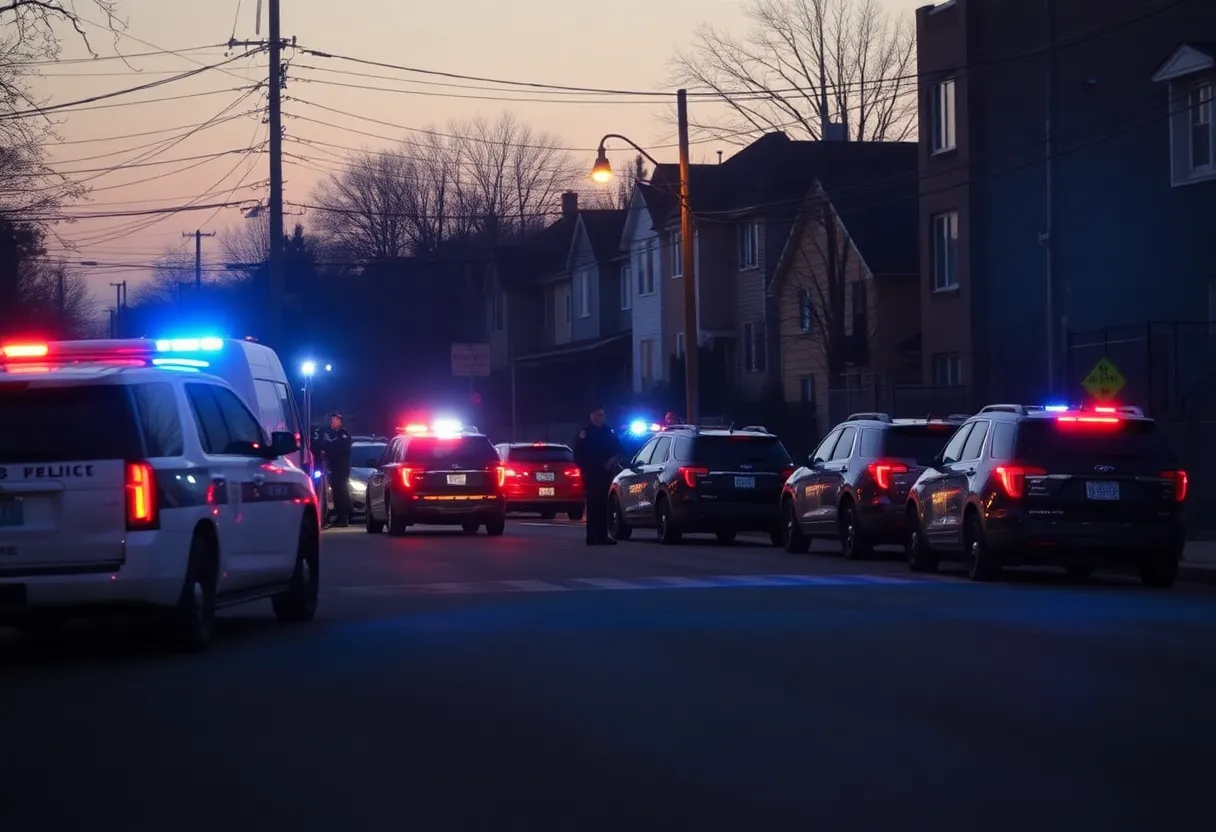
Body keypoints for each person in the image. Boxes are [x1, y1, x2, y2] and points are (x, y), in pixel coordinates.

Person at [573, 404, 621, 546]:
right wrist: (585, 469)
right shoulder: (586, 432)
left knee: (604, 505)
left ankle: (603, 535)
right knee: (593, 505)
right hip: (592, 473)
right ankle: (592, 536)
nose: (601, 417)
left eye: (602, 414)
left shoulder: (607, 431)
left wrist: (613, 460)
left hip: (606, 473)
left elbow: (617, 448)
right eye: (598, 415)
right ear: (592, 416)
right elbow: (578, 454)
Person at [316, 411, 353, 528]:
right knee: (337, 492)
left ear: (340, 422)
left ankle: (344, 517)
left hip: (341, 467)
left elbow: (339, 448)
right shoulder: (332, 434)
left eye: (335, 420)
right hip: (334, 467)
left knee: (342, 492)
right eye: (331, 420)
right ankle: (340, 516)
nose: (333, 422)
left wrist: (327, 450)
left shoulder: (343, 435)